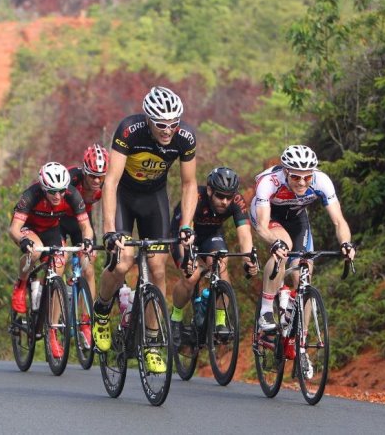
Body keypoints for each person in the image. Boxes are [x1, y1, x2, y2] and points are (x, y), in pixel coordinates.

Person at [94, 86, 198, 375]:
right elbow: (111, 181)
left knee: (158, 268)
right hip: (125, 199)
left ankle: (152, 341)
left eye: (174, 123)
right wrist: (109, 230)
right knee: (122, 262)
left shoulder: (185, 137)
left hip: (155, 200)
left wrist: (186, 224)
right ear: (148, 119)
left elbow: (189, 184)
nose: (168, 130)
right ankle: (102, 310)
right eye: (161, 124)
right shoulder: (130, 130)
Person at [252, 145, 357, 338]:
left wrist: (346, 244)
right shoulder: (270, 182)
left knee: (304, 277)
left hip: (297, 219)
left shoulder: (322, 181)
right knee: (284, 247)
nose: (302, 183)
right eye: (295, 177)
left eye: (307, 177)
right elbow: (262, 226)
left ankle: (301, 343)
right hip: (270, 217)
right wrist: (274, 243)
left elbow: (339, 220)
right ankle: (266, 312)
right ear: (285, 172)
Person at [8, 162, 95, 359]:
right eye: (52, 191)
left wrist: (88, 241)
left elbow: (86, 227)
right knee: (36, 252)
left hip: (51, 230)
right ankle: (21, 284)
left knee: (59, 266)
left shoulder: (72, 195)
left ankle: (53, 331)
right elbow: (13, 229)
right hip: (28, 228)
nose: (58, 196)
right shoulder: (31, 195)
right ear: (43, 187)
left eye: (61, 191)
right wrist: (23, 241)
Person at [168, 166, 257, 344]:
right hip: (184, 235)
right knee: (191, 276)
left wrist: (249, 260)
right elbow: (184, 229)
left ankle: (220, 321)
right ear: (209, 190)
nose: (225, 201)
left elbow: (245, 234)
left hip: (211, 235)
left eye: (228, 197)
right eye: (220, 196)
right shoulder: (196, 197)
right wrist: (187, 260)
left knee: (221, 266)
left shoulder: (237, 201)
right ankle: (175, 318)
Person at [59, 144, 107, 314]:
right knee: (59, 260)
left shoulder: (105, 184)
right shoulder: (71, 178)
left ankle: (87, 320)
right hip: (60, 220)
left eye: (100, 177)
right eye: (93, 175)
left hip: (83, 222)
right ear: (85, 171)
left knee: (88, 268)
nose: (96, 181)